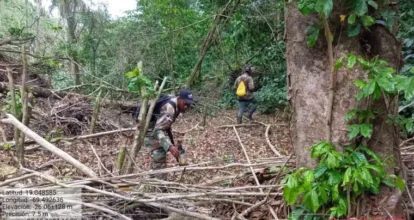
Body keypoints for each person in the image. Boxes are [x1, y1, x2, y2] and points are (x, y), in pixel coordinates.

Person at [143, 89, 194, 180]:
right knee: (159, 154)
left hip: (155, 126)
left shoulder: (177, 105)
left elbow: (166, 126)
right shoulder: (170, 109)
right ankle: (160, 185)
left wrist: (171, 144)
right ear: (179, 99)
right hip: (148, 128)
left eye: (189, 105)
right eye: (185, 103)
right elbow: (158, 130)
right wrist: (169, 146)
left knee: (159, 154)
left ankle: (152, 179)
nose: (186, 106)